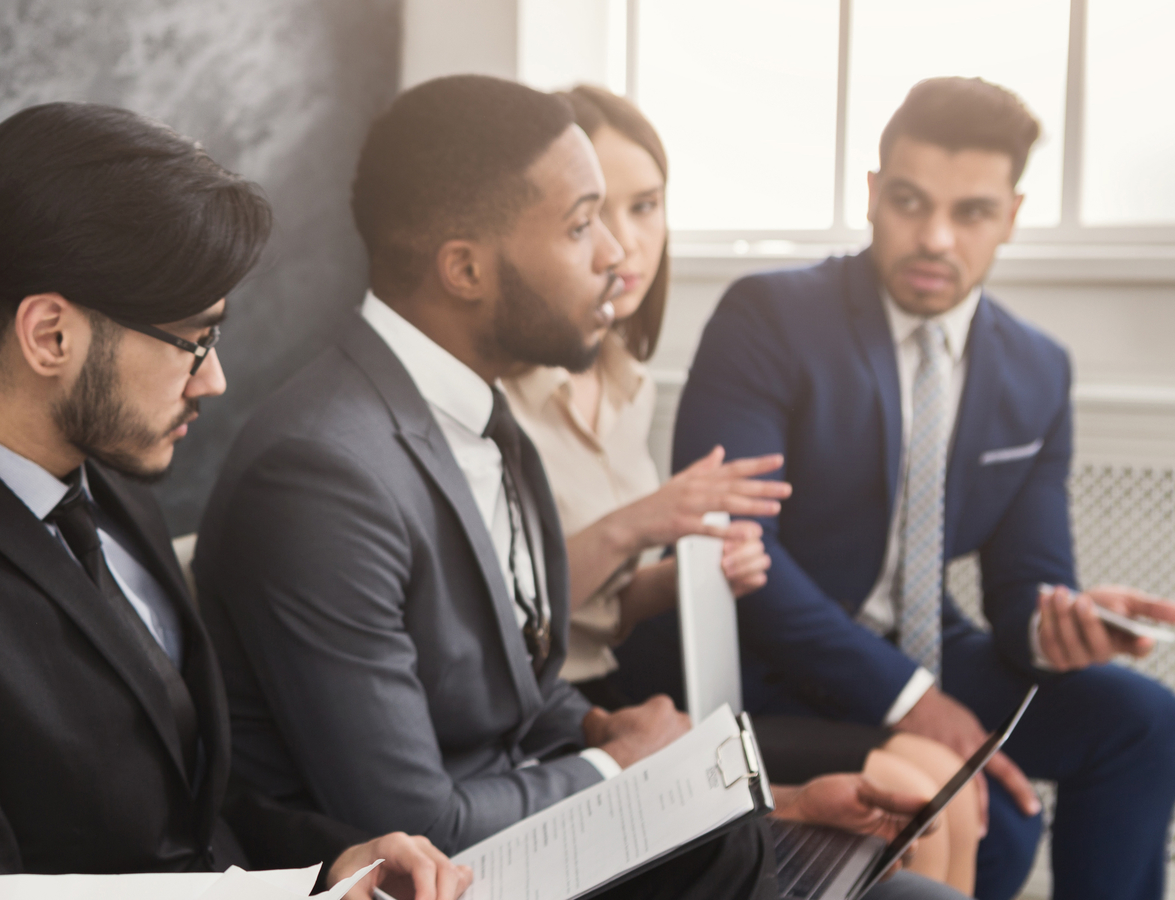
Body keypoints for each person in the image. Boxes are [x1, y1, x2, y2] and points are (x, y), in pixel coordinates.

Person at [196, 74, 963, 900]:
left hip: (550, 840)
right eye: (579, 225)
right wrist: (625, 762)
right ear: (464, 269)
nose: (614, 255)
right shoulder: (320, 473)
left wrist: (720, 783)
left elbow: (514, 699)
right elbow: (416, 826)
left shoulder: (484, 419)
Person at [0, 102, 468, 900]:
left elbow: (191, 809)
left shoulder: (113, 482)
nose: (214, 379)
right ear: (51, 335)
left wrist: (335, 861)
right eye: (194, 340)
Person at [619, 75, 1175, 900]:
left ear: (1012, 216)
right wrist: (915, 703)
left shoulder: (1038, 369)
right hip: (766, 663)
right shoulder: (767, 316)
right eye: (911, 202)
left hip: (925, 652)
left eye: (973, 212)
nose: (937, 237)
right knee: (1003, 825)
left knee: (1142, 719)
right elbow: (736, 552)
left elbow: (1023, 590)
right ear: (873, 194)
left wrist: (1066, 625)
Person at [502, 84, 981, 892]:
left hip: (616, 694)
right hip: (557, 725)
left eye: (647, 206)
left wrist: (682, 578)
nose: (626, 241)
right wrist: (642, 522)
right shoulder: (497, 402)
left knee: (938, 790)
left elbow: (594, 613)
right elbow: (497, 622)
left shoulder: (626, 382)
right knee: (922, 788)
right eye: (592, 215)